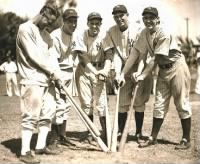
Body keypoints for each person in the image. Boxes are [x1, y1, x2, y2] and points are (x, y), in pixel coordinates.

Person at [120, 6, 192, 150]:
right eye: (145, 18)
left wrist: (142, 75)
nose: (148, 21)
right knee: (159, 104)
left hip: (176, 67)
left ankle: (186, 139)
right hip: (163, 70)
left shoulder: (164, 33)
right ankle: (153, 137)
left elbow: (154, 59)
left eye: (151, 18)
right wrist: (130, 73)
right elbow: (137, 54)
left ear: (157, 19)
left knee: (181, 103)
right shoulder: (144, 33)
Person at [16, 2, 63, 164]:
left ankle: (41, 145)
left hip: (47, 80)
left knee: (48, 113)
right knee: (30, 116)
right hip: (31, 78)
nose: (49, 25)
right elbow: (33, 56)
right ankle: (25, 151)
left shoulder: (47, 36)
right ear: (43, 12)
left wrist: (57, 77)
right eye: (48, 21)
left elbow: (52, 58)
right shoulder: (25, 29)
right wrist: (52, 73)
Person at [100, 4, 153, 142]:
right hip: (124, 67)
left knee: (139, 101)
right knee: (122, 101)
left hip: (139, 67)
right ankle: (121, 131)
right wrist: (119, 74)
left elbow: (142, 55)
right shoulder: (111, 31)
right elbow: (116, 55)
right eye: (116, 16)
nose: (119, 18)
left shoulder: (138, 30)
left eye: (121, 15)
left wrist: (139, 73)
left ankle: (138, 133)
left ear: (127, 15)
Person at [74, 12, 111, 144]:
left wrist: (105, 70)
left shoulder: (105, 36)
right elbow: (82, 57)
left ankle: (106, 134)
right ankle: (90, 132)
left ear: (100, 24)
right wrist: (95, 71)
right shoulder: (81, 35)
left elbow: (109, 54)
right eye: (92, 23)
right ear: (87, 23)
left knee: (102, 104)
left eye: (97, 23)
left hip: (100, 69)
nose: (94, 26)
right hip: (84, 70)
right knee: (86, 104)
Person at [48, 8, 78, 148]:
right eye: (70, 21)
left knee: (66, 107)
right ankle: (53, 139)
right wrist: (57, 78)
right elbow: (53, 59)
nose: (73, 24)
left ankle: (62, 136)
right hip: (57, 72)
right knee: (58, 106)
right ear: (63, 21)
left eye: (75, 21)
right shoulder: (55, 35)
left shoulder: (74, 35)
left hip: (69, 72)